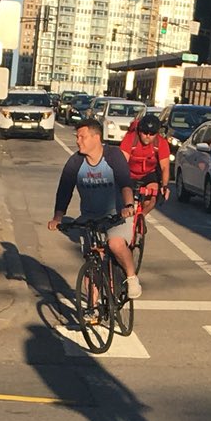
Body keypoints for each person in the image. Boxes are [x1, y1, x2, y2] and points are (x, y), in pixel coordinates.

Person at [48, 118, 142, 298]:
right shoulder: (75, 162)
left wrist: (129, 206)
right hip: (90, 218)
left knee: (115, 243)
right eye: (77, 137)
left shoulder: (113, 155)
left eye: (82, 137)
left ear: (96, 137)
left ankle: (131, 278)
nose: (78, 141)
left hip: (117, 215)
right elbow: (64, 190)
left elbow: (125, 183)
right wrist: (58, 218)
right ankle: (92, 308)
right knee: (92, 259)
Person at [121, 111, 171, 212]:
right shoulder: (130, 139)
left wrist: (165, 185)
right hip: (129, 173)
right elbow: (121, 163)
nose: (148, 136)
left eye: (152, 133)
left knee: (152, 198)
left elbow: (165, 167)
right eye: (145, 132)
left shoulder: (161, 142)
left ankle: (141, 219)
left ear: (157, 133)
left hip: (149, 174)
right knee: (125, 198)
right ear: (139, 131)